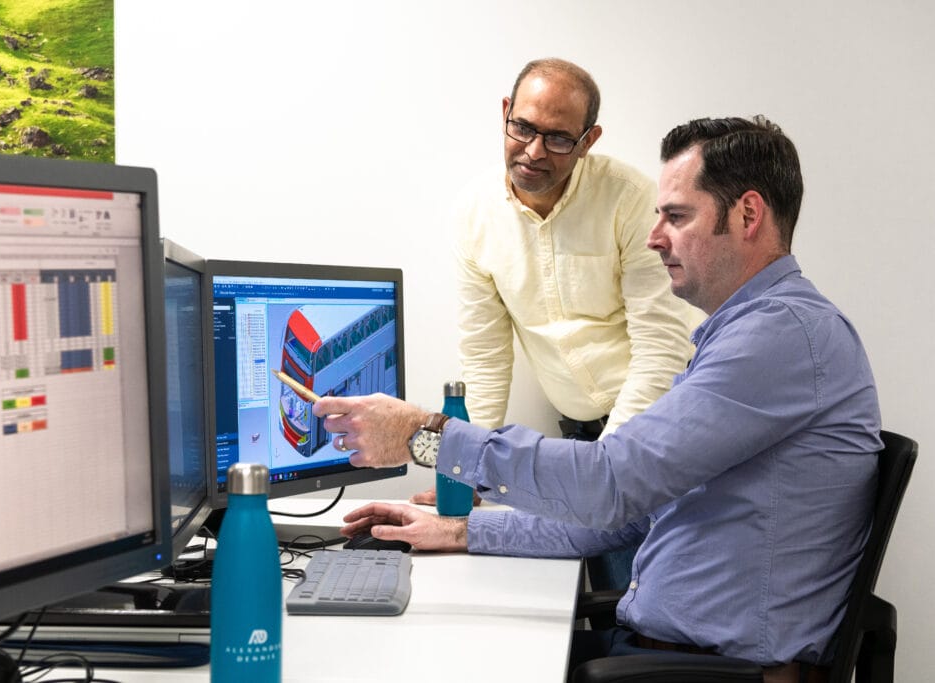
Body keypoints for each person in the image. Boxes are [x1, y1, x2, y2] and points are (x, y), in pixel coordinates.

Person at [318, 115, 881, 681]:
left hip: (708, 672)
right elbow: (631, 511)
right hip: (668, 654)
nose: (655, 235)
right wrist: (459, 530)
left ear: (748, 215)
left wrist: (425, 436)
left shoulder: (778, 336)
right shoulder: (746, 333)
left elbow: (609, 484)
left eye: (677, 216)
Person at [413, 58, 695, 590]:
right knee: (581, 591)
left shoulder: (631, 201)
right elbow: (486, 355)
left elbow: (661, 347)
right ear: (504, 114)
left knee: (638, 600)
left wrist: (606, 474)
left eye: (559, 138)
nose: (534, 151)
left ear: (589, 140)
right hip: (576, 435)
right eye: (523, 128)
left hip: (654, 428)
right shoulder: (474, 214)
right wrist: (468, 472)